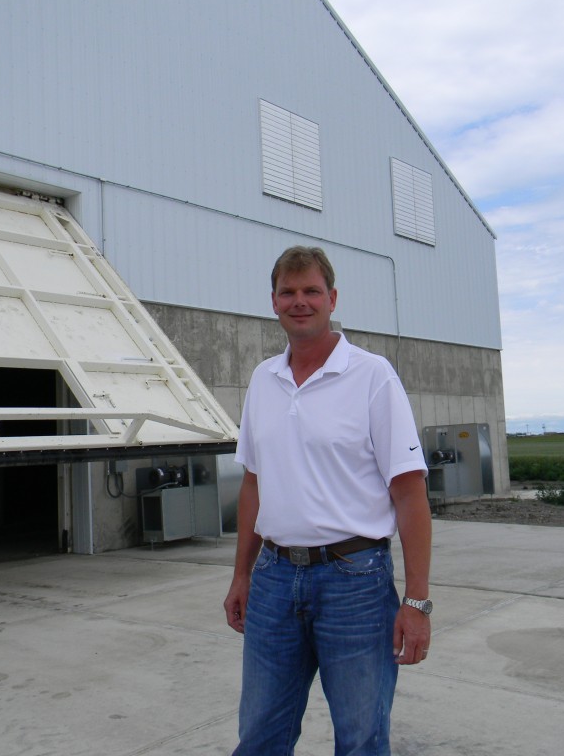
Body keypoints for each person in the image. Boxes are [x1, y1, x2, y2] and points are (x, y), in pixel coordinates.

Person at [223, 245, 432, 755]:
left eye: (311, 291)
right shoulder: (263, 380)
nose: (300, 301)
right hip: (273, 582)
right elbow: (253, 483)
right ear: (272, 301)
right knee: (259, 737)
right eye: (288, 292)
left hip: (355, 584)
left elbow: (409, 492)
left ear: (332, 298)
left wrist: (417, 600)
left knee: (361, 739)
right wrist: (243, 574)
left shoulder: (372, 376)